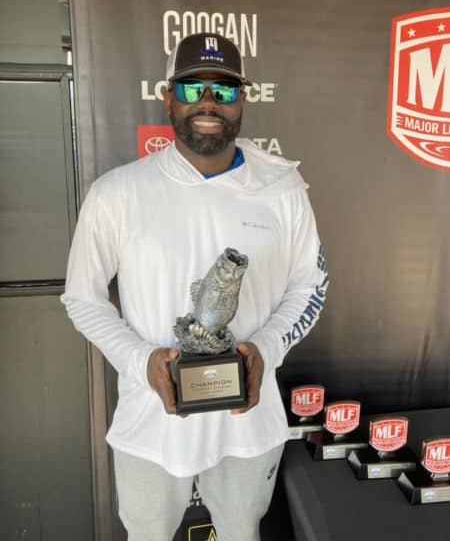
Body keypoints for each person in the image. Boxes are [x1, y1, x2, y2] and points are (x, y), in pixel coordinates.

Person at [61, 32, 329, 541]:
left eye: (223, 90)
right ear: (168, 97)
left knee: (241, 532)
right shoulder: (117, 192)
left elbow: (310, 286)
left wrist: (266, 350)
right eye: (192, 88)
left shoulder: (283, 190)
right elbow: (82, 298)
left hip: (248, 422)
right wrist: (140, 361)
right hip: (150, 421)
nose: (208, 102)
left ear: (242, 99)